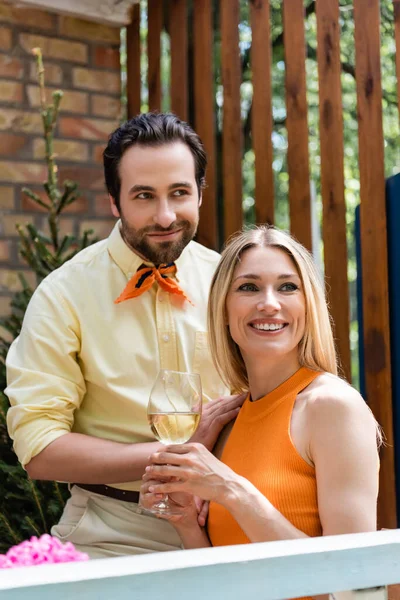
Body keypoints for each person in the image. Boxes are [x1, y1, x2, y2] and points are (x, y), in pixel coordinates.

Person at [5, 112, 243, 558]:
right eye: (144, 196)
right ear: (115, 201)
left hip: (230, 518)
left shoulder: (232, 281)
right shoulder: (64, 294)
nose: (165, 215)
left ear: (199, 192)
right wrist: (175, 455)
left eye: (179, 193)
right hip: (112, 530)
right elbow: (39, 447)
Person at [141, 225, 380, 551]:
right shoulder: (229, 421)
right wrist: (184, 521)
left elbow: (354, 581)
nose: (269, 304)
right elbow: (226, 576)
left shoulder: (333, 407)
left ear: (308, 306)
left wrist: (233, 491)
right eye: (249, 287)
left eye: (287, 287)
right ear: (223, 309)